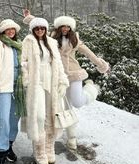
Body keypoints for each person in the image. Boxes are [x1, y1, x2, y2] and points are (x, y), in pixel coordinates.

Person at [23, 10, 109, 150]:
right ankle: (72, 137)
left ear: (71, 28)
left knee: (77, 102)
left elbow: (89, 53)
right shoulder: (51, 37)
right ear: (58, 27)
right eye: (63, 26)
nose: (65, 29)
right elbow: (40, 25)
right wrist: (29, 18)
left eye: (68, 27)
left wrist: (101, 65)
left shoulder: (75, 40)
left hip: (74, 74)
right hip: (57, 76)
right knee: (65, 106)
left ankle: (91, 89)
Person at [21, 17, 69, 164]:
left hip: (51, 82)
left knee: (51, 115)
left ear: (46, 29)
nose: (40, 31)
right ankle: (39, 151)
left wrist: (63, 81)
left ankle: (49, 147)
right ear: (33, 30)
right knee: (39, 116)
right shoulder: (28, 41)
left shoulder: (52, 43)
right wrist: (27, 81)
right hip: (37, 84)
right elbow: (23, 63)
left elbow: (58, 63)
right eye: (37, 29)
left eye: (42, 28)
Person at [0, 19, 26, 164]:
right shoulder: (0, 44)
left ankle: (9, 145)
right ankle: (1, 155)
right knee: (3, 120)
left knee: (14, 119)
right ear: (3, 32)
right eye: (7, 29)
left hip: (18, 88)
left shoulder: (20, 45)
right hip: (3, 88)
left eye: (13, 29)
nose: (11, 31)